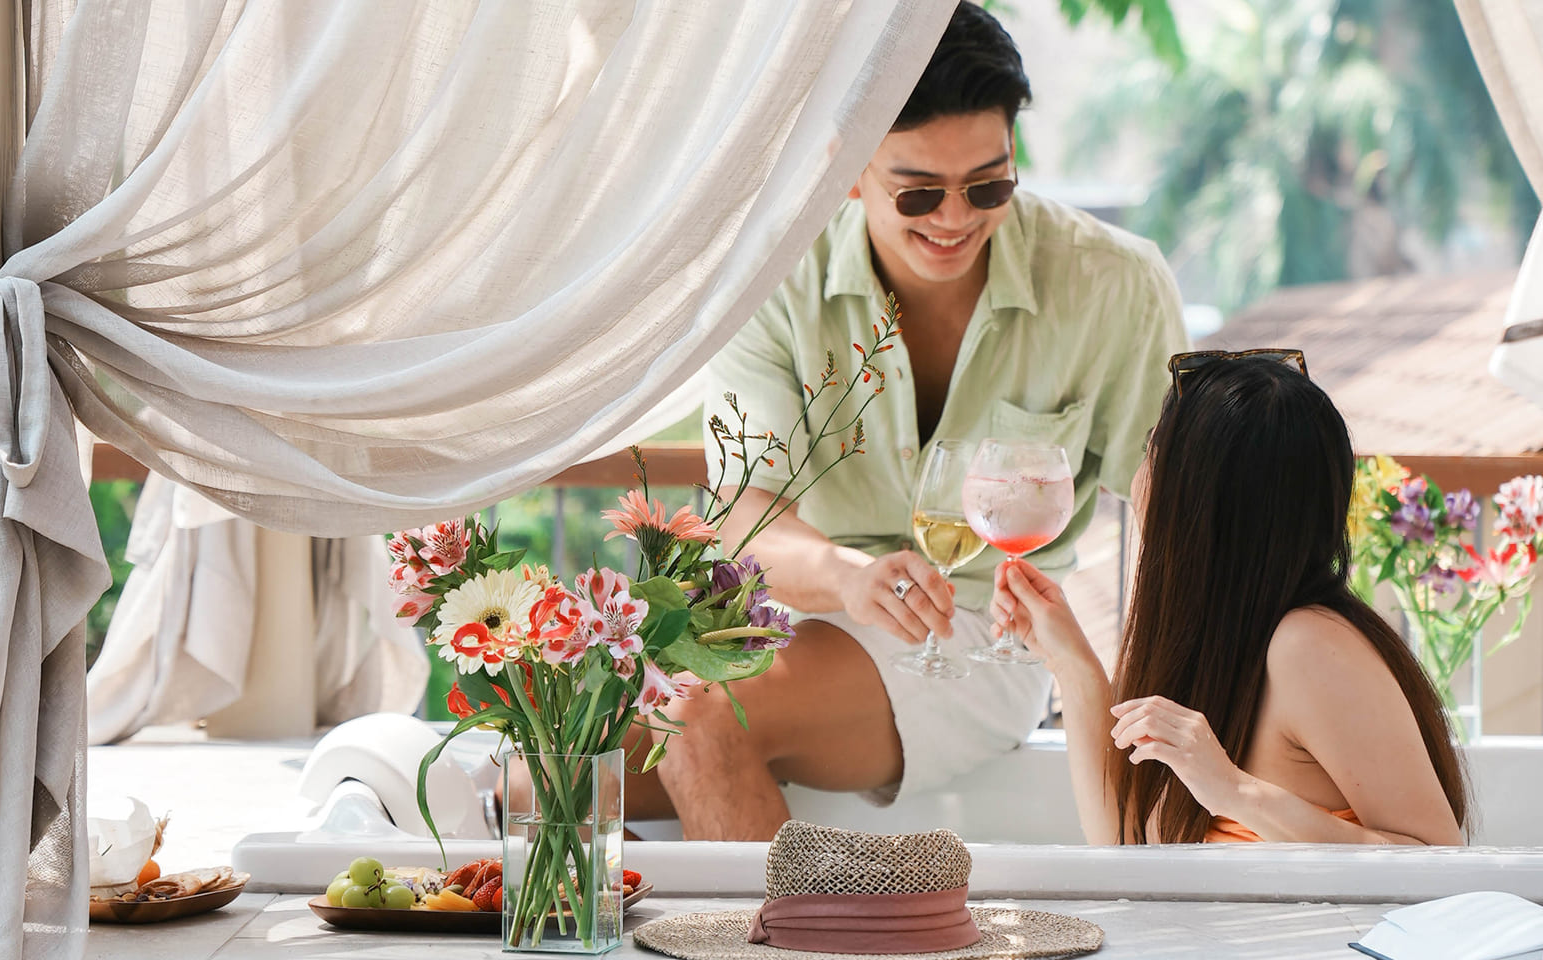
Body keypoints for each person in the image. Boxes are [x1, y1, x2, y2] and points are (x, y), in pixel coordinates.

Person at [626, 2, 1189, 840]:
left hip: (984, 636)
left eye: (988, 184)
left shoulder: (1113, 283)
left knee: (697, 711)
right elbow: (745, 516)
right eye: (919, 192)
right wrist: (847, 575)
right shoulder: (773, 274)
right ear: (844, 167)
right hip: (794, 618)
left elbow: (1178, 508)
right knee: (543, 767)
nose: (956, 219)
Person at [992, 352, 1467, 845]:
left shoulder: (1309, 646)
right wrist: (1071, 663)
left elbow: (1438, 861)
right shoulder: (1213, 645)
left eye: (1151, 456)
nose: (1138, 483)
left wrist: (1236, 791)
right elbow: (1121, 846)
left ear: (1199, 504)